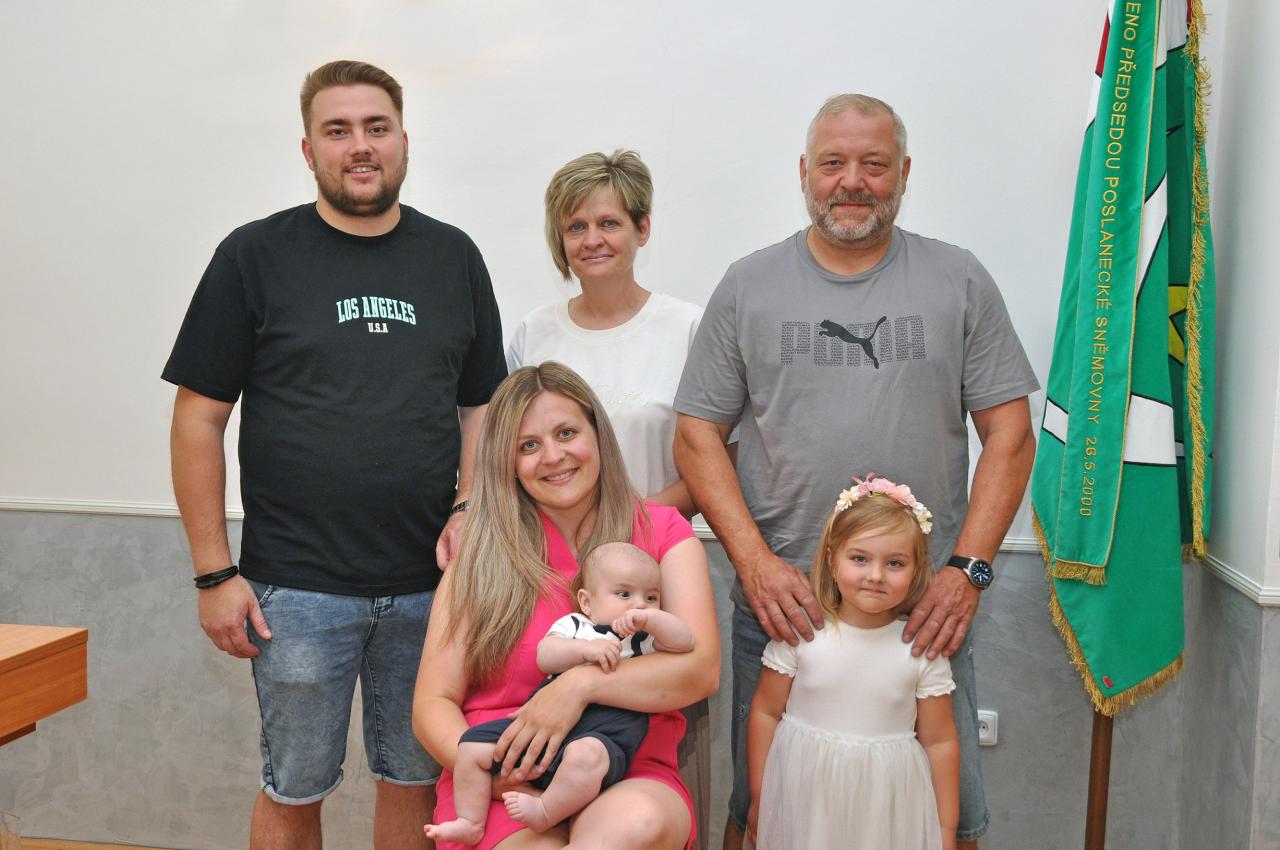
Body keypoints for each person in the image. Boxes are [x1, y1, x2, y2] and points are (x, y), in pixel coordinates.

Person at [673, 93, 1039, 850]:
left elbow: (1009, 434)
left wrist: (967, 572)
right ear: (804, 172)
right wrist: (754, 563)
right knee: (763, 813)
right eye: (833, 163)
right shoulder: (748, 285)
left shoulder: (959, 279)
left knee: (946, 817)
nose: (852, 181)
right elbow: (696, 435)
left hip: (923, 614)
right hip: (784, 610)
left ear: (903, 173)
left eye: (874, 164)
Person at [163, 59, 506, 850]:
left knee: (417, 783)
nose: (361, 146)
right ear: (308, 149)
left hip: (433, 586)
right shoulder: (253, 255)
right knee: (294, 788)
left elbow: (482, 405)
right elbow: (197, 420)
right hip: (295, 589)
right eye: (338, 130)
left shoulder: (453, 256)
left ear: (404, 141)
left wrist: (468, 503)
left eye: (376, 127)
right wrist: (214, 574)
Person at [413, 362, 720, 850]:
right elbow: (433, 703)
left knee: (633, 825)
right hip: (504, 773)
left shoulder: (662, 531)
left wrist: (577, 687)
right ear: (506, 462)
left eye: (566, 433)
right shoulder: (478, 554)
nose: (553, 456)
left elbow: (700, 670)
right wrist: (490, 775)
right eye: (528, 445)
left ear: (597, 433)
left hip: (626, 762)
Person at [426, 542, 694, 844]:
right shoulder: (576, 626)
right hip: (542, 725)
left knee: (586, 755)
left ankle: (545, 809)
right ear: (587, 602)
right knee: (471, 746)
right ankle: (470, 821)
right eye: (624, 594)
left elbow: (684, 641)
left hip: (606, 731)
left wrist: (654, 620)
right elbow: (546, 656)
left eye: (651, 597)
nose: (639, 605)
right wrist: (584, 650)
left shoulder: (643, 639)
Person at [747, 475, 959, 850]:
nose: (875, 576)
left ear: (916, 570)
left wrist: (944, 829)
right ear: (832, 560)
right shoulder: (801, 634)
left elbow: (940, 741)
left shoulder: (922, 649)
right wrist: (761, 797)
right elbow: (765, 712)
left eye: (895, 563)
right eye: (860, 558)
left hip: (884, 806)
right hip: (805, 798)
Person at [506, 150, 704, 516]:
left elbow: (718, 465)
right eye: (576, 227)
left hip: (657, 544)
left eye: (609, 223)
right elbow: (510, 458)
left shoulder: (688, 328)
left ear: (642, 228)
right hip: (553, 547)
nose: (592, 239)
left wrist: (629, 525)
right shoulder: (533, 333)